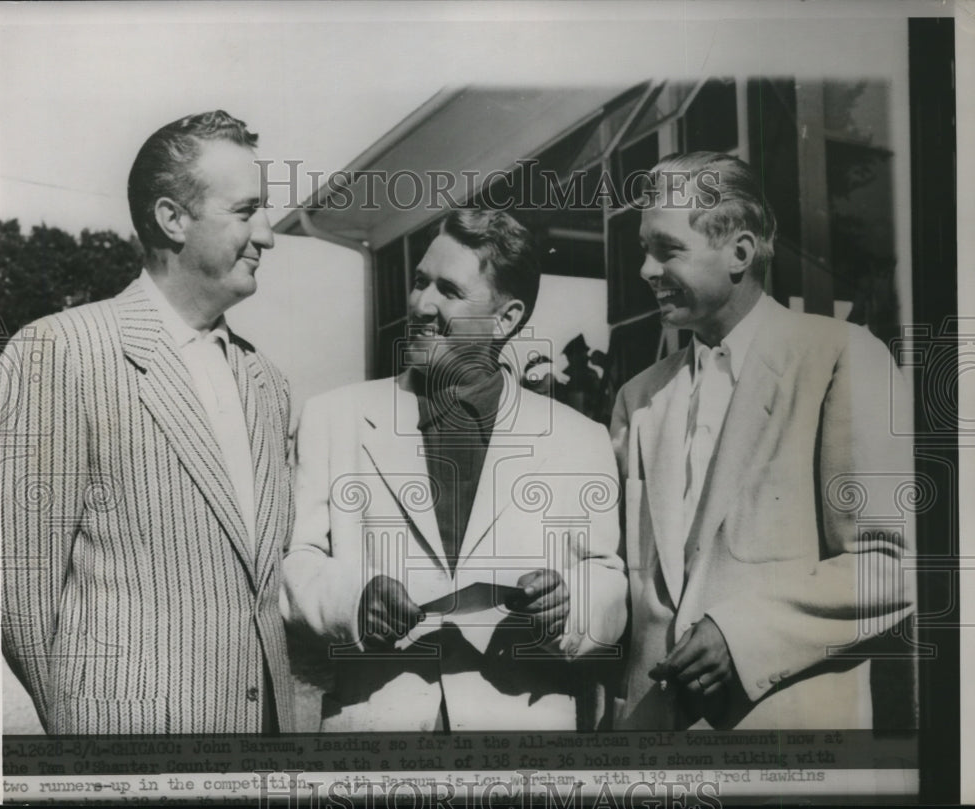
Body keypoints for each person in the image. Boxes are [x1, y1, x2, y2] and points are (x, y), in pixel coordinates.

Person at [1, 110, 295, 734]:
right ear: (172, 219)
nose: (267, 235)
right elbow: (21, 598)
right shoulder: (60, 351)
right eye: (246, 212)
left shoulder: (268, 382)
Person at [283, 208, 627, 731]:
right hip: (379, 733)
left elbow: (608, 580)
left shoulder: (578, 437)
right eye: (419, 281)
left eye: (449, 289)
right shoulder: (334, 418)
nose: (421, 304)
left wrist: (570, 602)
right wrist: (354, 601)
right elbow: (297, 566)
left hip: (521, 740)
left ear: (506, 319)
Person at [610, 152, 915, 730]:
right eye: (644, 251)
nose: (647, 271)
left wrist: (742, 634)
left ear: (740, 253)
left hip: (786, 751)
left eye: (667, 249)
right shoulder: (638, 396)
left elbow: (891, 567)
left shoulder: (842, 357)